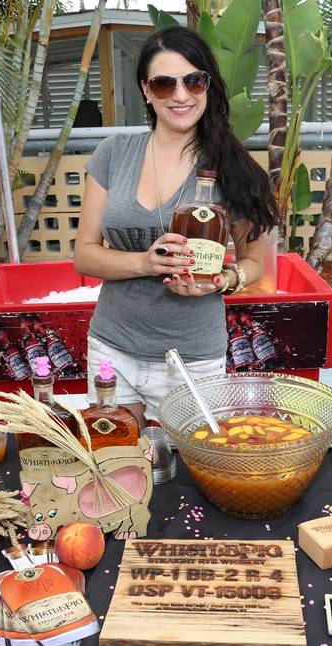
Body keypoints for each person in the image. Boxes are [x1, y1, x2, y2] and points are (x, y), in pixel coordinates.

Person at [73, 25, 278, 427]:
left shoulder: (235, 169)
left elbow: (255, 262)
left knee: (191, 462)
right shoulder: (113, 154)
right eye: (165, 83)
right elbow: (85, 255)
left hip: (193, 357)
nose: (181, 95)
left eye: (193, 80)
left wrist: (222, 280)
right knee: (115, 456)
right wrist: (145, 263)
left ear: (208, 85)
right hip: (112, 348)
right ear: (146, 90)